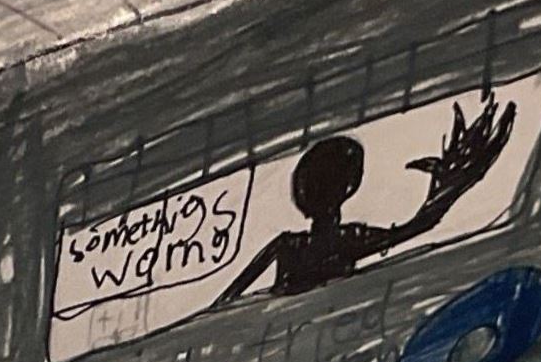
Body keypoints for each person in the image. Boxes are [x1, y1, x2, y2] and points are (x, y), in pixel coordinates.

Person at [217, 94, 517, 302]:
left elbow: (229, 298)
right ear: (350, 186)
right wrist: (450, 186)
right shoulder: (351, 238)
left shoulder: (288, 244)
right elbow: (421, 225)